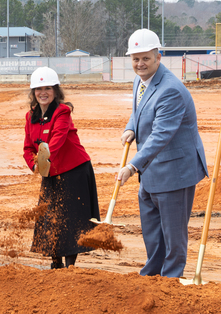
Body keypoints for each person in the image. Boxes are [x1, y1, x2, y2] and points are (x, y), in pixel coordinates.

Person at [117, 29, 208, 278]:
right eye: (135, 59)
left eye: (145, 58)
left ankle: (171, 280)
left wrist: (132, 166)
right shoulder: (141, 80)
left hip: (174, 172)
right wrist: (130, 128)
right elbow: (140, 110)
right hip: (151, 170)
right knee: (152, 231)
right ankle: (152, 276)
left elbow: (161, 134)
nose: (140, 64)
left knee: (173, 233)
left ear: (158, 56)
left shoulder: (171, 90)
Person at [21, 67, 99, 269]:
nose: (43, 93)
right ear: (33, 92)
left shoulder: (62, 112)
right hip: (49, 171)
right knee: (50, 217)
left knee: (70, 218)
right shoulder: (31, 117)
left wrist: (42, 161)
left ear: (56, 91)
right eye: (38, 89)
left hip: (74, 171)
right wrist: (35, 165)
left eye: (48, 88)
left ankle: (70, 266)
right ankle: (55, 263)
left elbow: (56, 140)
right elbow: (28, 148)